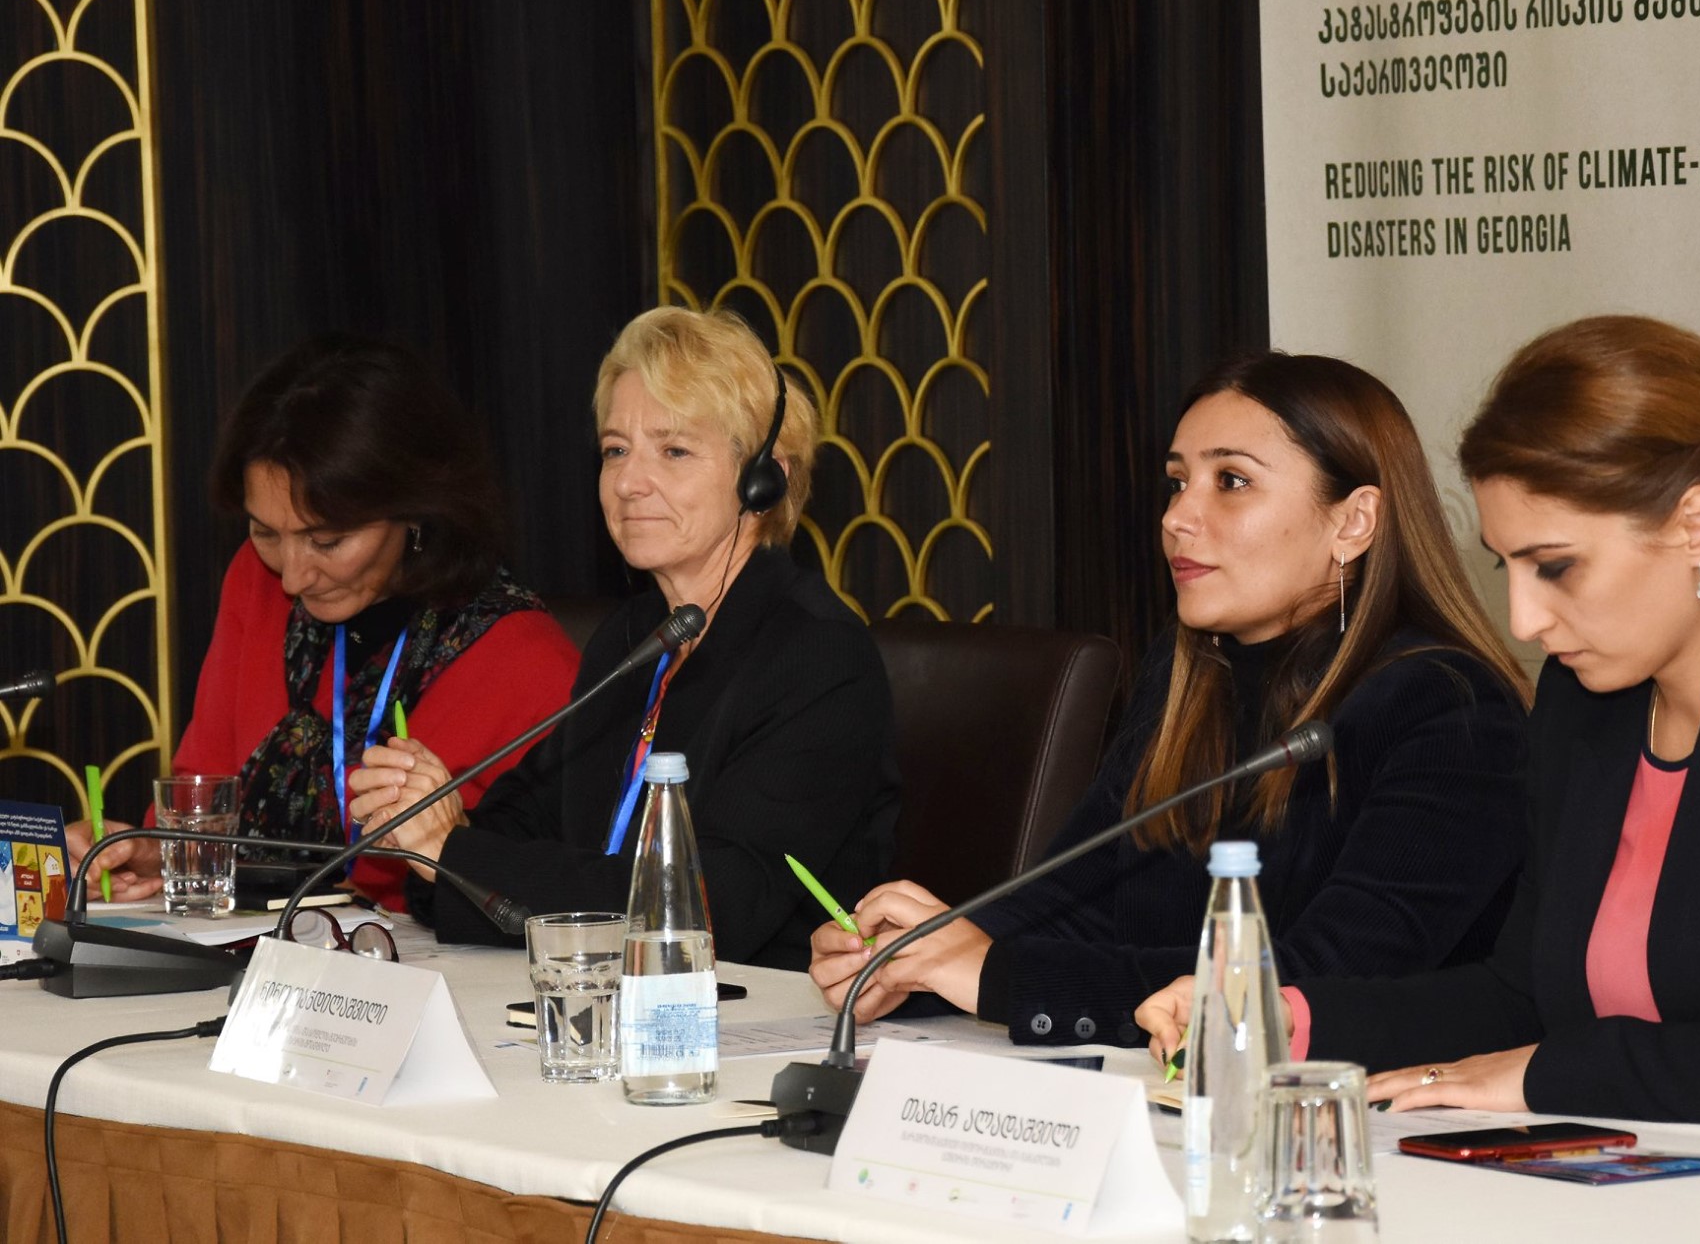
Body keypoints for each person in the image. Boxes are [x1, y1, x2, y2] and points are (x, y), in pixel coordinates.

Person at [1137, 316, 1700, 1161]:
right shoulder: (1589, 701)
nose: (1524, 620)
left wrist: (1545, 1075)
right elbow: (1525, 994)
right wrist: (1284, 1016)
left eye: (1557, 567)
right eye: (1508, 566)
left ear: (1695, 527)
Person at [808, 352, 1530, 1045]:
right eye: (1178, 482)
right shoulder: (1192, 674)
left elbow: (1324, 978)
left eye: (1232, 481)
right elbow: (1071, 905)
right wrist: (913, 958)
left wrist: (994, 973)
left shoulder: (1451, 708)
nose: (1178, 517)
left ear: (1354, 522)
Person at [347, 306, 898, 969]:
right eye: (615, 450)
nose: (629, 483)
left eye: (673, 450)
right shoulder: (633, 638)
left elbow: (713, 906)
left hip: (755, 1012)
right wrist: (427, 824)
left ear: (763, 479)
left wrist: (452, 852)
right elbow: (514, 828)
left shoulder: (817, 658)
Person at [68, 337, 581, 911]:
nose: (292, 576)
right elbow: (205, 789)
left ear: (415, 508)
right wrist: (153, 853)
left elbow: (518, 887)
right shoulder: (256, 580)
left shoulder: (523, 661)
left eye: (327, 541)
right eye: (265, 532)